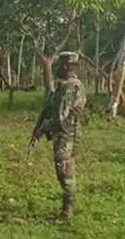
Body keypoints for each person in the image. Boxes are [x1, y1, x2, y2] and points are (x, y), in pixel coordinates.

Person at [31, 52, 87, 220]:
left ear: (65, 66)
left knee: (65, 172)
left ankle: (66, 212)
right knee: (64, 170)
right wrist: (39, 126)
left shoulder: (71, 86)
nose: (57, 70)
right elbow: (50, 107)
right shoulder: (65, 86)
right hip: (63, 134)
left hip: (66, 134)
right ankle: (66, 210)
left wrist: (42, 130)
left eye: (59, 66)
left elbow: (60, 115)